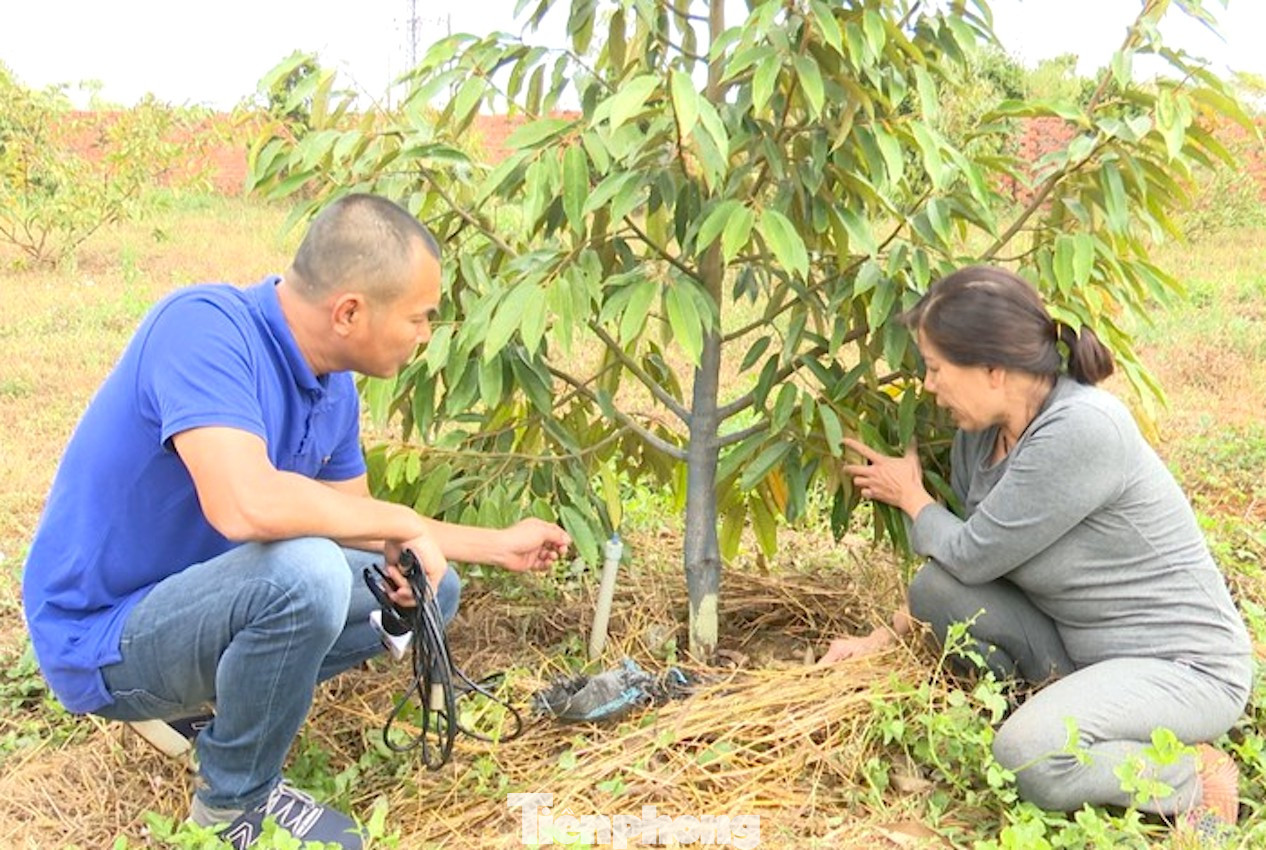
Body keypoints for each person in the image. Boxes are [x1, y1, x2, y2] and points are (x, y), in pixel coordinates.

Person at [21, 194, 571, 849]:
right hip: (103, 638)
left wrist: (496, 546)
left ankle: (217, 713)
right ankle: (232, 807)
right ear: (349, 312)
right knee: (305, 576)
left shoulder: (331, 387)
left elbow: (357, 527)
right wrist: (397, 522)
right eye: (419, 317)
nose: (426, 335)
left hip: (203, 606)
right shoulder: (202, 329)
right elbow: (245, 504)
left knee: (431, 585)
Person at [819, 265, 1252, 831]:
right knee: (935, 589)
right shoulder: (979, 438)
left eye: (936, 368)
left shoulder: (1082, 428)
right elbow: (971, 568)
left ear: (992, 369)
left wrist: (912, 498)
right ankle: (1065, 716)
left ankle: (1191, 774)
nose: (927, 386)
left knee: (1028, 756)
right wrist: (883, 637)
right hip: (1082, 650)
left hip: (1182, 670)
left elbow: (973, 552)